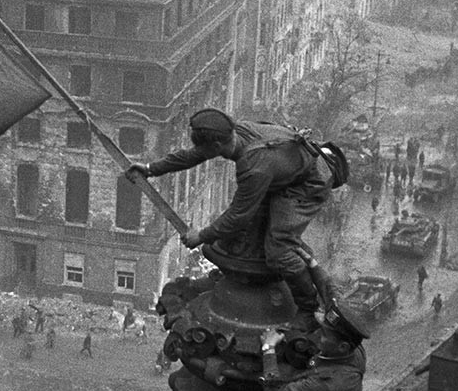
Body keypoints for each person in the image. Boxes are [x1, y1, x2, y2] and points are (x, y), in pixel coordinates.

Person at [126, 108, 338, 331]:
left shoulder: (253, 166)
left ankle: (308, 307)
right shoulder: (234, 132)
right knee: (250, 234)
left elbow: (238, 216)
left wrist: (201, 236)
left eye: (204, 148)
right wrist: (151, 169)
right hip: (288, 171)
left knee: (279, 250)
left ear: (217, 146)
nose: (201, 152)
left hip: (308, 183)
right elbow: (195, 155)